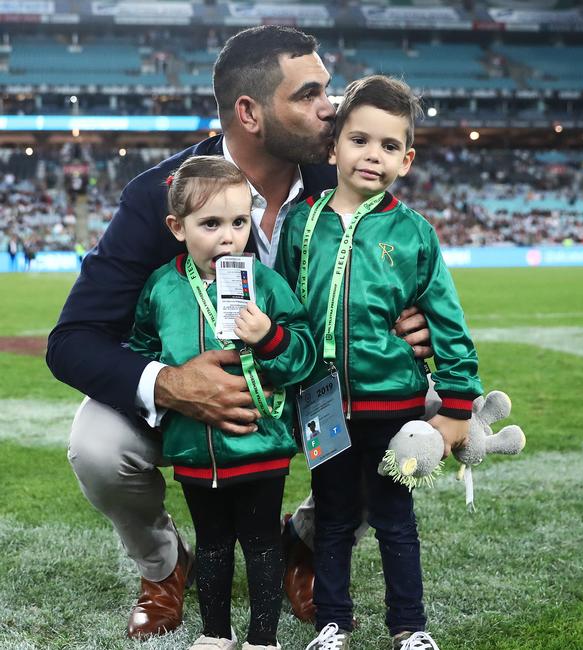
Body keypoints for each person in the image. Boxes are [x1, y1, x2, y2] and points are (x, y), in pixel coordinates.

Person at [46, 26, 432, 639]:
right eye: (308, 95)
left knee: (418, 416)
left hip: (314, 377)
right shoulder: (160, 195)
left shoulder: (350, 179)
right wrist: (170, 383)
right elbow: (71, 341)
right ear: (249, 112)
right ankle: (165, 565)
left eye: (327, 91)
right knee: (96, 446)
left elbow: (405, 279)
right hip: (198, 397)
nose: (330, 109)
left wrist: (415, 325)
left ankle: (306, 546)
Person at [275, 75, 483, 650]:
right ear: (334, 146)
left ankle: (409, 628)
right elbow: (286, 310)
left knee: (395, 517)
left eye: (390, 146)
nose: (373, 155)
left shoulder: (415, 234)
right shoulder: (300, 223)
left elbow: (447, 321)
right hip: (324, 410)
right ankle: (332, 624)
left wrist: (460, 403)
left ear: (407, 160)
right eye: (361, 140)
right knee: (335, 518)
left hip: (396, 408)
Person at [129, 155, 316, 650]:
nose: (228, 237)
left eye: (238, 222)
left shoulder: (266, 285)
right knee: (211, 547)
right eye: (210, 224)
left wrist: (270, 337)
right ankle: (215, 634)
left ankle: (262, 639)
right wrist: (166, 391)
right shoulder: (162, 288)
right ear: (177, 227)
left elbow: (305, 352)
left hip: (261, 447)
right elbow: (142, 350)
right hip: (194, 450)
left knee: (259, 545)